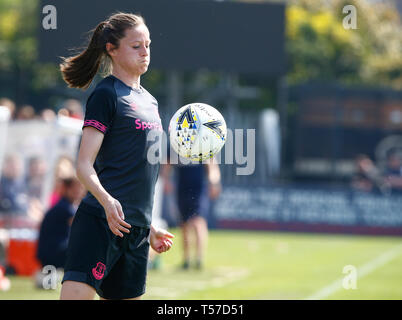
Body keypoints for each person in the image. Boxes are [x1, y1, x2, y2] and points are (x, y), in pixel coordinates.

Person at [58, 12, 174, 300]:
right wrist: (108, 203)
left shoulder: (150, 101)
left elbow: (141, 171)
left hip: (135, 232)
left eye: (148, 45)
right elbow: (83, 166)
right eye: (136, 46)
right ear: (112, 49)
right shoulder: (106, 94)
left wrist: (149, 227)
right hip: (99, 222)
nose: (145, 52)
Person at [162, 155, 221, 270]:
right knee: (184, 223)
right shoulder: (177, 143)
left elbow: (212, 165)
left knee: (198, 221)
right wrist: (166, 180)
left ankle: (199, 258)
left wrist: (214, 182)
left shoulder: (203, 144)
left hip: (199, 189)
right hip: (182, 188)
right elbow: (167, 163)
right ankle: (186, 259)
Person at [36, 176, 85, 272]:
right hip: (53, 252)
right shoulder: (66, 208)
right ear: (66, 189)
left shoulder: (66, 205)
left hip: (50, 251)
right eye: (75, 188)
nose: (79, 191)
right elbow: (82, 226)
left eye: (80, 188)